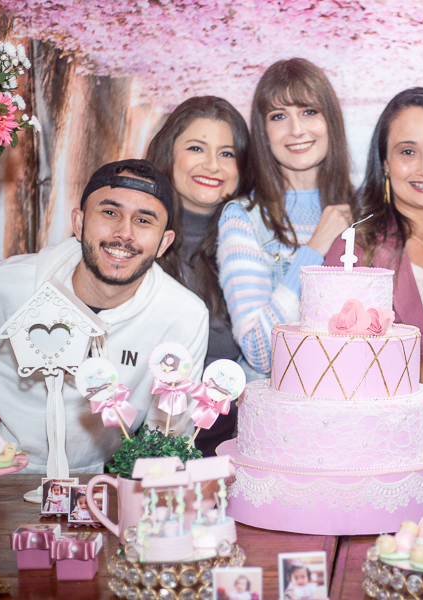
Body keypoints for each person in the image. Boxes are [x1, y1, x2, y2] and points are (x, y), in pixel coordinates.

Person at [0, 159, 210, 473]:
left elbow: (167, 432)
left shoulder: (184, 316)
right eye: (110, 213)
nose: (124, 233)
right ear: (79, 223)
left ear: (164, 243)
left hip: (87, 481)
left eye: (144, 220)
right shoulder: (4, 284)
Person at [324, 87, 423, 385]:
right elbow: (330, 369)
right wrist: (415, 378)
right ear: (385, 163)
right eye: (408, 152)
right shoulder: (354, 252)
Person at [218, 58, 353, 374]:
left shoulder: (362, 209)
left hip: (351, 394)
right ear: (263, 132)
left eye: (309, 112)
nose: (296, 130)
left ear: (331, 120)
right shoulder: (243, 217)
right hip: (278, 398)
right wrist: (314, 249)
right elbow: (260, 351)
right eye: (279, 116)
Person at [145, 96, 252, 455]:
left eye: (227, 153)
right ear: (168, 153)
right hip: (132, 446)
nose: (212, 165)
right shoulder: (131, 234)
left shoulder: (252, 245)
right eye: (196, 148)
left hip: (224, 449)